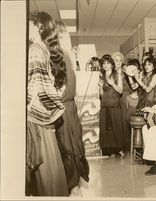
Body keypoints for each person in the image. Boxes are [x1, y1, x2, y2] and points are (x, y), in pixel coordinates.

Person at [26, 11, 68, 196]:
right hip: (44, 114)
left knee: (42, 169)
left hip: (35, 114)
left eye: (29, 25)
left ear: (39, 27)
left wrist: (24, 106)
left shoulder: (34, 48)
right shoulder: (45, 49)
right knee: (49, 167)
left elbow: (35, 85)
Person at [51, 20, 89, 195]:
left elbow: (61, 88)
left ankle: (73, 186)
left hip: (63, 108)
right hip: (69, 107)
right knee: (73, 145)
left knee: (67, 147)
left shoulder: (59, 56)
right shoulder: (66, 55)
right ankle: (75, 185)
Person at [99, 54, 125, 157]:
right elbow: (101, 95)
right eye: (104, 63)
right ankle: (108, 150)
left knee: (116, 127)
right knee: (106, 128)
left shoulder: (116, 75)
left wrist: (112, 83)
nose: (105, 65)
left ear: (112, 65)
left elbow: (120, 90)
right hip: (105, 105)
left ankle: (118, 149)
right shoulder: (101, 76)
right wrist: (100, 87)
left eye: (108, 63)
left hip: (115, 105)